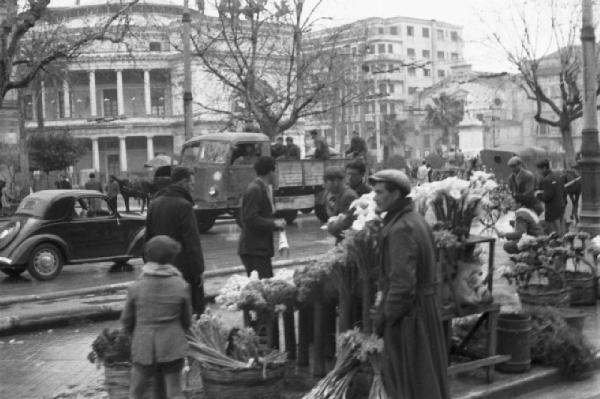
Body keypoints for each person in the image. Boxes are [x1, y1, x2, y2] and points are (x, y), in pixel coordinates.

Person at [369, 169, 449, 399]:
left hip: (410, 316)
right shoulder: (415, 220)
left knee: (411, 381)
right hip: (424, 309)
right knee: (426, 378)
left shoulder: (401, 228)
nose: (375, 197)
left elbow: (402, 286)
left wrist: (385, 318)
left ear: (395, 195)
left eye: (380, 192)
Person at [121, 235, 192, 399]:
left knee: (136, 392)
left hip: (143, 345)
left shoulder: (137, 287)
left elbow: (126, 320)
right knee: (174, 391)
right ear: (172, 258)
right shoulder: (181, 285)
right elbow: (187, 320)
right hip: (172, 345)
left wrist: (134, 333)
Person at [144, 166, 205, 314]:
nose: (192, 187)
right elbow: (192, 243)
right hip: (183, 272)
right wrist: (198, 271)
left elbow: (148, 239)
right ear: (184, 182)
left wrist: (149, 266)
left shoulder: (155, 203)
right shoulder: (184, 206)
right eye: (191, 183)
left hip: (159, 270)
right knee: (188, 314)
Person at [238, 156, 286, 278]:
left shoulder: (262, 188)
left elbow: (260, 216)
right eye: (276, 171)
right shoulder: (255, 189)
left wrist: (275, 223)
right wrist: (274, 224)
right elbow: (250, 219)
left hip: (260, 249)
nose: (277, 175)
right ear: (271, 172)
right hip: (254, 250)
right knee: (262, 286)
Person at [324, 166, 358, 240]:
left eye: (326, 182)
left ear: (335, 182)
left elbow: (346, 224)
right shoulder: (341, 195)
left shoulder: (349, 196)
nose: (324, 186)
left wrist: (330, 226)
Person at [535, 159, 566, 235]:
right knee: (561, 230)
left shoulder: (546, 180)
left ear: (545, 168)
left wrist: (538, 195)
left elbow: (547, 197)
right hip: (561, 207)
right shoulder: (558, 176)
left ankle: (558, 246)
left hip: (552, 210)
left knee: (554, 233)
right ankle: (563, 245)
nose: (538, 172)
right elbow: (564, 191)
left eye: (539, 170)